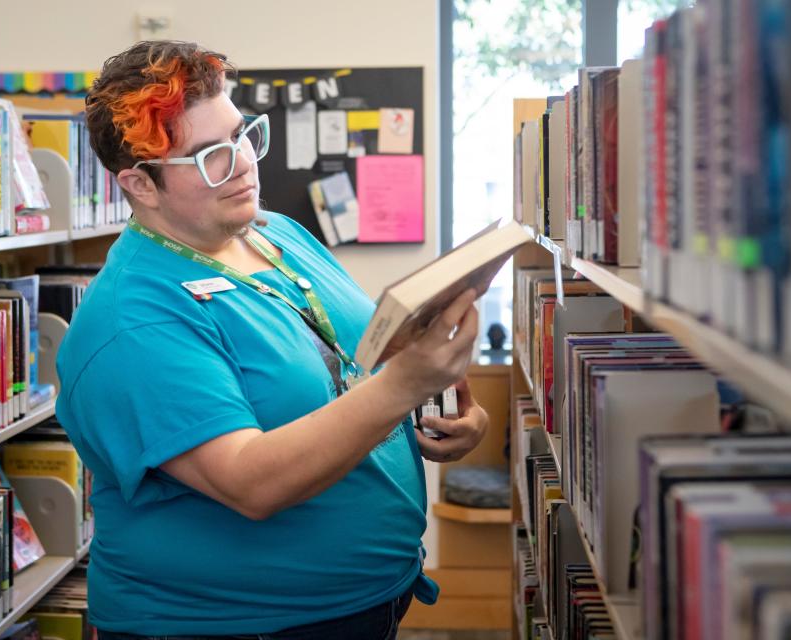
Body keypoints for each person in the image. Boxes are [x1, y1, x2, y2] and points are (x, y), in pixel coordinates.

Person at [56, 40, 488, 639]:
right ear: (141, 185)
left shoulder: (274, 232)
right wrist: (403, 385)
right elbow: (250, 482)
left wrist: (443, 409)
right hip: (234, 627)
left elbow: (354, 364)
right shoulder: (132, 319)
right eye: (210, 156)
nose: (242, 164)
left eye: (242, 136)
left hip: (364, 603)